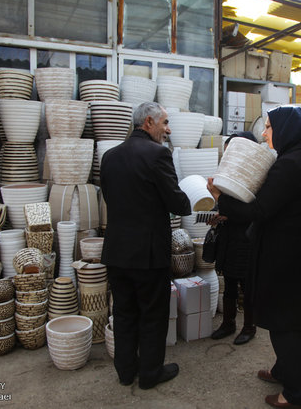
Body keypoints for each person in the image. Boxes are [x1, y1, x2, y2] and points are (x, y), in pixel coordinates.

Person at [208, 105, 301, 408]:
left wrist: (221, 198)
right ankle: (282, 370)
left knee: (282, 322)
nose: (264, 133)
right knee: (289, 319)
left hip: (287, 256)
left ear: (286, 129)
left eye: (269, 127)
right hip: (295, 251)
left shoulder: (293, 163)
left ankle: (297, 395)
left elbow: (258, 211)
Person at [100, 101, 191, 389]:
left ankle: (126, 372)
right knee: (152, 314)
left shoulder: (109, 156)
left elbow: (111, 199)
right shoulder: (157, 155)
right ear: (149, 122)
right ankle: (150, 374)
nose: (168, 129)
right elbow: (177, 202)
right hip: (149, 254)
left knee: (124, 313)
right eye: (165, 123)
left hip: (117, 251)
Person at [209, 131, 257, 345]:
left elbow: (251, 211)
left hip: (247, 237)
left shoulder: (256, 176)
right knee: (228, 282)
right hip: (228, 236)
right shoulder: (228, 174)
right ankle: (228, 323)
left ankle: (249, 327)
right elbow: (224, 205)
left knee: (247, 285)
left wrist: (222, 202)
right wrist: (216, 214)